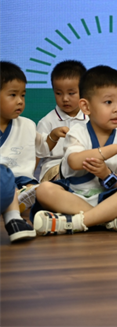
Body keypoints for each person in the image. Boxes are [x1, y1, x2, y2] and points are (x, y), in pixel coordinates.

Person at [32, 66, 117, 235]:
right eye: (108, 102)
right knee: (44, 190)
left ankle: (75, 222)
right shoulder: (77, 132)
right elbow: (74, 161)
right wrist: (114, 149)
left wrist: (107, 175)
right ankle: (107, 220)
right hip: (74, 197)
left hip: (110, 200)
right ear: (86, 107)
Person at [0, 61, 48, 241]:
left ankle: (23, 197)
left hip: (22, 178)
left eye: (23, 95)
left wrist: (53, 137)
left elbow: (42, 148)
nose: (20, 101)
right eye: (13, 95)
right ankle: (14, 208)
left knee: (40, 188)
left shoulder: (27, 125)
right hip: (3, 180)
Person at [36, 60, 88, 185]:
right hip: (54, 168)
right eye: (58, 93)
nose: (65, 98)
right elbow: (36, 154)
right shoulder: (46, 122)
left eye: (71, 93)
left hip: (84, 164)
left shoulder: (92, 118)